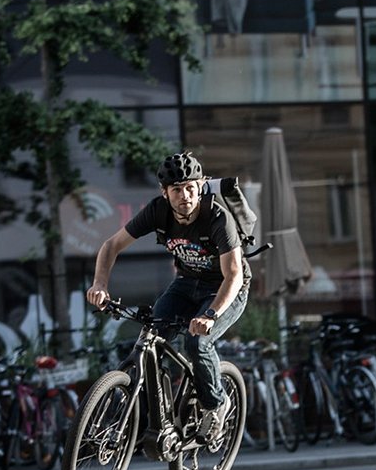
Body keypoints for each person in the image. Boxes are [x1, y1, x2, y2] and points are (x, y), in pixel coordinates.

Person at [85, 152, 251, 444]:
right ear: (165, 193)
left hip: (225, 288)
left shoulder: (217, 217)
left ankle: (216, 404)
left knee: (197, 341)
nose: (185, 195)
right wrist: (100, 284)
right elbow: (112, 246)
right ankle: (159, 420)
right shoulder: (157, 211)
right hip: (187, 283)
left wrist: (210, 314)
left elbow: (234, 274)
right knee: (151, 339)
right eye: (176, 189)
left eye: (190, 187)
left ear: (200, 186)